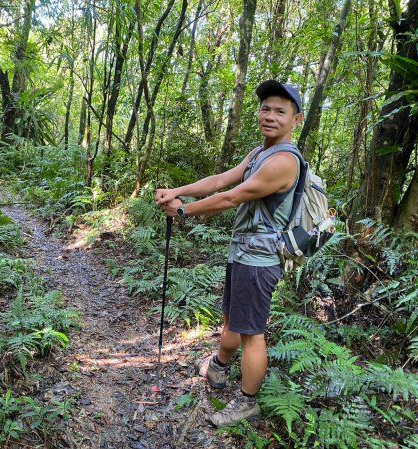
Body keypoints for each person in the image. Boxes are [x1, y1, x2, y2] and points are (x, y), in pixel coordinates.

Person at [155, 80, 304, 427]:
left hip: (260, 260)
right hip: (243, 253)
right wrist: (177, 191)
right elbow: (222, 179)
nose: (270, 116)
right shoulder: (259, 153)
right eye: (265, 108)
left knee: (252, 332)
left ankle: (247, 403)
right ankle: (219, 369)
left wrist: (182, 211)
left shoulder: (283, 162)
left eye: (280, 111)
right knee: (232, 319)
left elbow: (232, 197)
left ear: (296, 120)